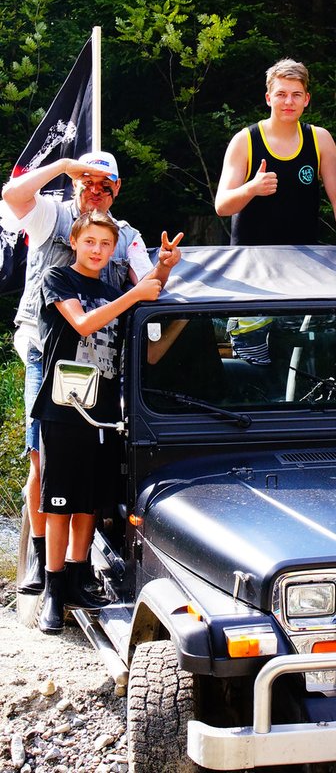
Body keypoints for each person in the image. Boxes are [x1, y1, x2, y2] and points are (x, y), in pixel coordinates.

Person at [1, 150, 182, 595]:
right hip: (47, 352)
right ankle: (42, 559)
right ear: (76, 184)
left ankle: (77, 567)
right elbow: (12, 195)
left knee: (90, 467)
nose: (96, 192)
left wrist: (163, 267)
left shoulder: (127, 236)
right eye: (88, 182)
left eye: (106, 185)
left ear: (117, 189)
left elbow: (149, 288)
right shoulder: (52, 215)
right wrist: (64, 165)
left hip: (98, 360)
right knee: (42, 459)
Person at [31, 210, 182, 633]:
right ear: (74, 242)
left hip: (104, 413)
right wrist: (134, 296)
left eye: (105, 244)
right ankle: (53, 588)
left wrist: (164, 269)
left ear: (114, 249)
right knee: (59, 501)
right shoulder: (58, 279)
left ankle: (78, 577)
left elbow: (148, 333)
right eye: (90, 241)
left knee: (90, 501)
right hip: (63, 406)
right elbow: (83, 323)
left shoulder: (114, 290)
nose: (97, 250)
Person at [214, 58, 336, 247]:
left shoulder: (320, 139)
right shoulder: (244, 141)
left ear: (306, 99)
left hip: (304, 255)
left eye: (296, 95)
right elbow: (222, 206)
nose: (289, 102)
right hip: (251, 256)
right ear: (268, 98)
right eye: (281, 94)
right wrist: (251, 188)